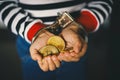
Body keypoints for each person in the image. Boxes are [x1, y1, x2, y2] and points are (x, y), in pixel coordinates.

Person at [0, 0, 113, 80]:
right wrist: (35, 32)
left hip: (74, 43)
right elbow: (5, 5)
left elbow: (103, 2)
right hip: (30, 42)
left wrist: (77, 27)